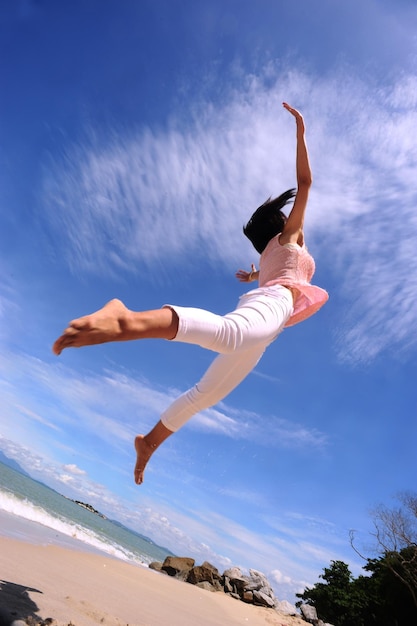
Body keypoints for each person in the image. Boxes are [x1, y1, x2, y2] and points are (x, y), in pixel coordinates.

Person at [52, 102, 328, 485]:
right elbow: (305, 184)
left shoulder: (271, 254)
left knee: (208, 392)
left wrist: (252, 277)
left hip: (268, 313)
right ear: (281, 224)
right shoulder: (289, 238)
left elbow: (271, 272)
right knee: (227, 336)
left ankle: (149, 442)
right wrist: (301, 132)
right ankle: (124, 317)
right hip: (271, 306)